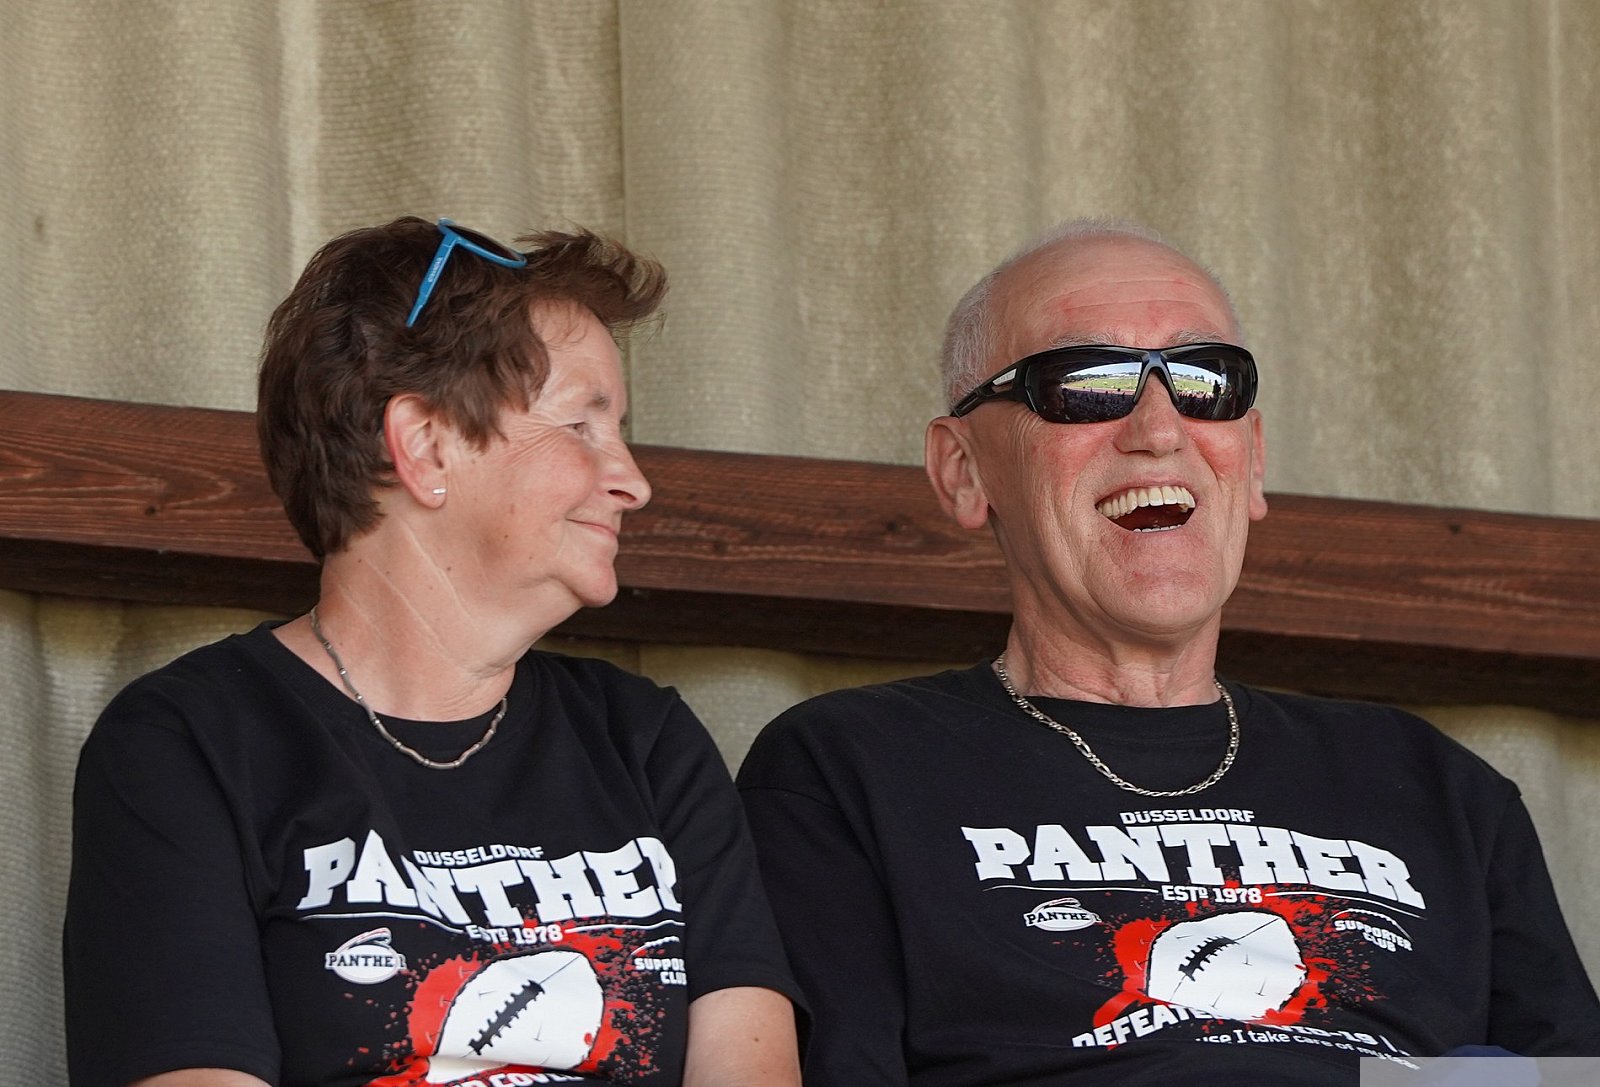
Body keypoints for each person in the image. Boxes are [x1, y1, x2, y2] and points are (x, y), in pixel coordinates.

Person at [736, 219, 1600, 1084]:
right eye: (1086, 382)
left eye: (1205, 380)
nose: (1159, 429)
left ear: (1251, 461)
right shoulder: (849, 768)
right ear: (964, 470)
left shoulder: (1434, 786)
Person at [65, 217, 801, 1087]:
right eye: (581, 424)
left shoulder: (646, 742)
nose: (632, 482)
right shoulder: (189, 744)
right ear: (425, 446)